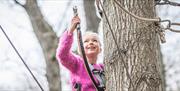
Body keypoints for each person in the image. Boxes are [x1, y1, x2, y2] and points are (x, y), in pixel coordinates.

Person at [56, 15, 105, 91]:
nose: (91, 42)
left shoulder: (103, 68)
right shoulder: (77, 64)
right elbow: (62, 55)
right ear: (80, 49)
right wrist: (70, 30)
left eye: (95, 40)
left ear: (100, 49)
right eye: (86, 41)